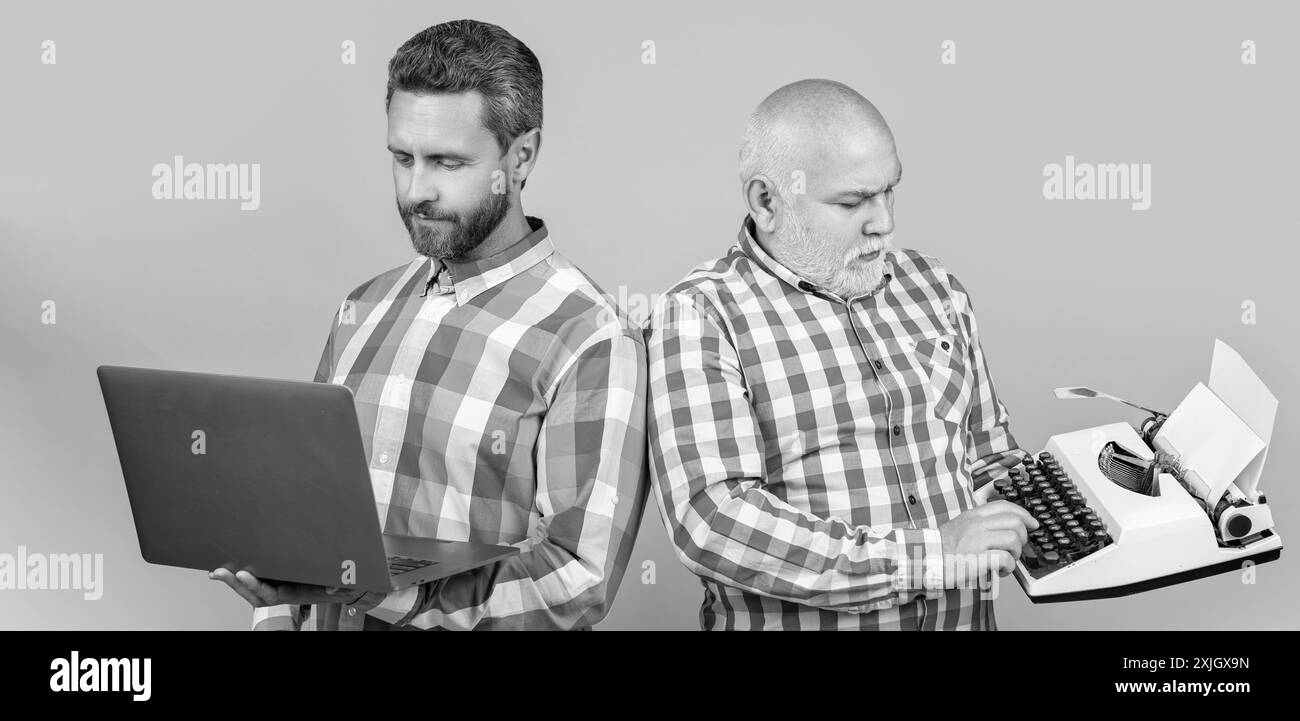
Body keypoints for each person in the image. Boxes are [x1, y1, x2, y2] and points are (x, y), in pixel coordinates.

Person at [211, 19, 648, 630]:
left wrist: (396, 598)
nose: (416, 191)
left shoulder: (589, 335)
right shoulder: (362, 309)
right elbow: (310, 508)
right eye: (401, 157)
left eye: (446, 162)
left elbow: (576, 579)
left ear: (521, 156)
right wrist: (277, 596)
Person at [645, 79, 1036, 630]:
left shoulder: (936, 287)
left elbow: (988, 457)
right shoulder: (699, 315)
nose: (884, 223)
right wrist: (931, 555)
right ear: (766, 201)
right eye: (852, 202)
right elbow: (714, 523)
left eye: (889, 191)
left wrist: (1117, 491)